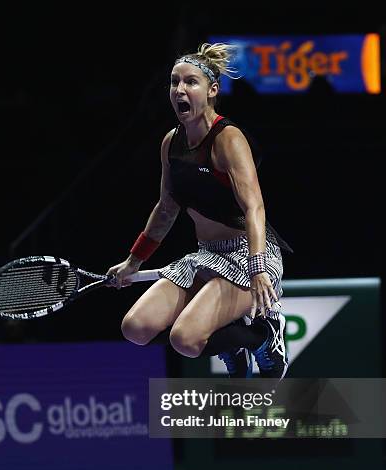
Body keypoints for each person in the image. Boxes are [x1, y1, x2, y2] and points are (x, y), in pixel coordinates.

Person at [107, 42, 292, 379]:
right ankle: (231, 344)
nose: (180, 90)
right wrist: (133, 261)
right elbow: (166, 209)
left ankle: (264, 336)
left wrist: (258, 266)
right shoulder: (171, 143)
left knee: (185, 339)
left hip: (247, 258)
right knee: (135, 328)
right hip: (206, 257)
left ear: (212, 90)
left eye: (191, 82)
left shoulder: (228, 139)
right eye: (175, 82)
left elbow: (254, 206)